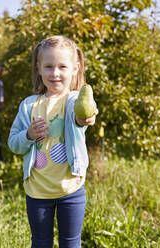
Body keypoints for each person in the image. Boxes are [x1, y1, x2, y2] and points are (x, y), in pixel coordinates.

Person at [8, 35, 98, 248]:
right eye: (48, 66)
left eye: (62, 66)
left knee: (70, 242)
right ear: (39, 69)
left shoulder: (75, 100)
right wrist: (28, 135)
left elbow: (84, 116)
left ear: (75, 69)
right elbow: (14, 143)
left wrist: (87, 117)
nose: (55, 73)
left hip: (71, 189)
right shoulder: (28, 106)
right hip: (38, 191)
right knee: (40, 242)